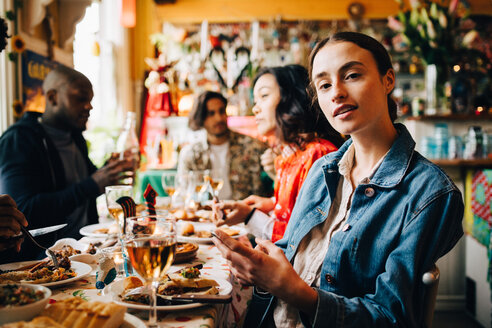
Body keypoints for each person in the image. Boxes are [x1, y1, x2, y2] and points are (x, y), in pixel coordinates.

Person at [212, 32, 464, 327]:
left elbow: (392, 318)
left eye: (352, 75)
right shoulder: (323, 169)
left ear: (388, 80)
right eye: (324, 85)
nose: (337, 93)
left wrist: (291, 289)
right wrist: (257, 266)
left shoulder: (430, 193)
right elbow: (290, 254)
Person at [0, 66, 134, 261]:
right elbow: (23, 213)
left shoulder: (75, 137)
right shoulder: (19, 140)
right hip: (43, 261)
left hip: (86, 250)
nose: (89, 107)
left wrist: (109, 171)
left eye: (90, 101)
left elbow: (82, 183)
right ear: (53, 97)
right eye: (81, 99)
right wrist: (93, 184)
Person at [213, 65, 344, 242]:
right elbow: (295, 215)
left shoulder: (319, 155)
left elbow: (302, 240)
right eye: (255, 100)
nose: (255, 109)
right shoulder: (289, 157)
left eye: (264, 96)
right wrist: (269, 204)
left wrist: (250, 216)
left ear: (291, 100)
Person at [177, 91, 270, 200]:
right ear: (201, 119)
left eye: (221, 111)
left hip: (246, 212)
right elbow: (183, 193)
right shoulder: (191, 154)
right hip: (205, 214)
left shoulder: (252, 146)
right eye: (211, 114)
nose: (219, 118)